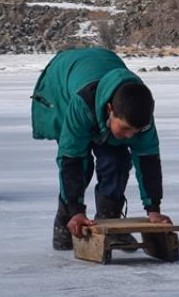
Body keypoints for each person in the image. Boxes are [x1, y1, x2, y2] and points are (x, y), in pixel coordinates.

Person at [31, 47, 171, 250]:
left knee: (118, 160)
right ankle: (64, 221)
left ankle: (108, 218)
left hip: (102, 69)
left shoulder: (141, 113)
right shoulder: (82, 105)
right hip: (61, 85)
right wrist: (76, 211)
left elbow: (148, 159)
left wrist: (153, 208)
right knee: (82, 165)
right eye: (125, 128)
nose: (130, 136)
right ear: (110, 110)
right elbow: (71, 158)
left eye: (135, 131)